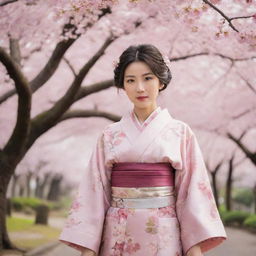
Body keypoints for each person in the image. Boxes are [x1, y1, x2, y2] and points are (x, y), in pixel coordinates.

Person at [59, 44, 227, 256]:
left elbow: (191, 193)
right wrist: (88, 250)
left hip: (164, 233)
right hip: (117, 232)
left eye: (147, 78)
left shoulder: (180, 132)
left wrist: (194, 250)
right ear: (123, 85)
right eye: (130, 80)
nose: (140, 87)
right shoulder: (110, 135)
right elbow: (94, 192)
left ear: (161, 82)